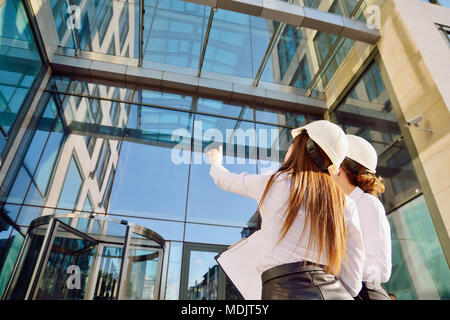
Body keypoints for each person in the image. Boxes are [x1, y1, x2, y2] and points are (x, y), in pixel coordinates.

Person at [206, 120, 364, 300]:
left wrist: (215, 164)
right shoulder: (343, 202)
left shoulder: (273, 182)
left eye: (292, 145)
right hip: (334, 292)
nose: (289, 149)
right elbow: (354, 268)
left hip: (283, 291)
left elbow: (226, 180)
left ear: (306, 148)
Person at [331, 134, 392, 300]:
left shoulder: (368, 204)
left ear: (339, 168)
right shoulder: (339, 207)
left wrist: (335, 266)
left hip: (366, 294)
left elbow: (381, 269)